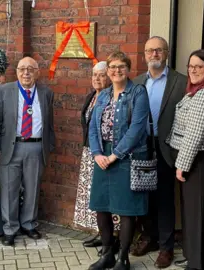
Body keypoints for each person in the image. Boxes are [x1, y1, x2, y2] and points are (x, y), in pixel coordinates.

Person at [87, 52, 149, 270]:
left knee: (126, 210)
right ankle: (107, 254)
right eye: (112, 67)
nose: (116, 70)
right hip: (102, 156)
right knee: (101, 207)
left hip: (126, 158)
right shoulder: (103, 96)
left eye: (121, 66)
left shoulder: (138, 93)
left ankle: (123, 258)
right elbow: (93, 127)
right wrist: (97, 154)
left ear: (128, 69)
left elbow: (137, 129)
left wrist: (115, 155)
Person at [167, 49, 204, 270]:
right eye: (190, 66)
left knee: (199, 213)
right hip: (191, 159)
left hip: (198, 161)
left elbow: (195, 132)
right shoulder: (196, 90)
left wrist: (182, 164)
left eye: (198, 66)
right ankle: (194, 256)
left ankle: (199, 263)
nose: (192, 70)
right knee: (191, 212)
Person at [132, 36, 187, 268]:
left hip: (166, 146)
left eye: (159, 50)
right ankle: (149, 237)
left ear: (166, 53)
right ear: (144, 54)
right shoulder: (136, 82)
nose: (154, 54)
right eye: (150, 51)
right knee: (144, 196)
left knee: (165, 198)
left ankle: (166, 248)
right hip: (142, 146)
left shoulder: (181, 82)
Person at [0, 56, 55, 246]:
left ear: (37, 72)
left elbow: (49, 122)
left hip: (36, 147)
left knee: (32, 188)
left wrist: (49, 145)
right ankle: (9, 228)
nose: (26, 73)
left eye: (30, 69)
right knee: (9, 190)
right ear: (17, 71)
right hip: (10, 146)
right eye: (22, 69)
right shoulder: (4, 90)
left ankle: (29, 224)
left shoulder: (46, 93)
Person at [74, 61, 119, 252]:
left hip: (106, 154)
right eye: (94, 75)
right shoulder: (92, 96)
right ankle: (101, 234)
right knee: (94, 196)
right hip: (90, 152)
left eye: (101, 75)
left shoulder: (112, 98)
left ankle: (114, 238)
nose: (97, 79)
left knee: (108, 195)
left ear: (109, 76)